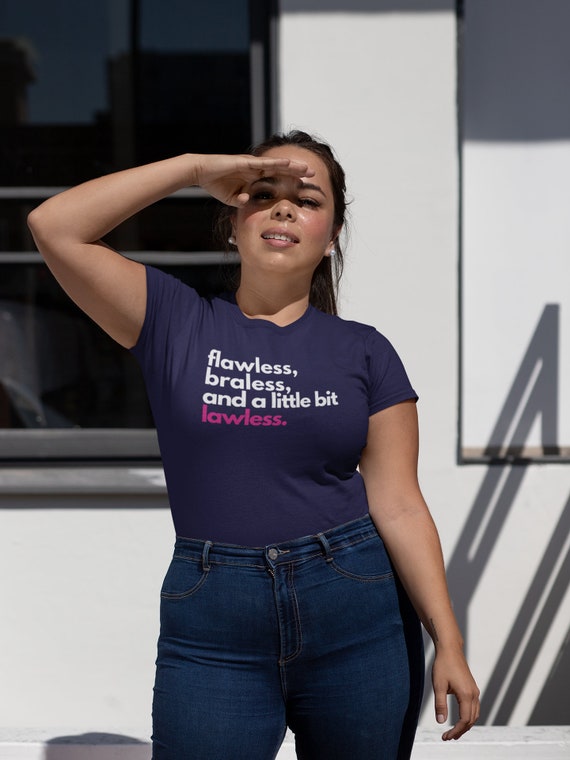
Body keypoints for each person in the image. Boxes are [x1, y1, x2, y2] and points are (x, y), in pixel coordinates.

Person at [28, 130, 480, 759]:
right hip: (214, 622)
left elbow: (400, 504)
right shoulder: (172, 321)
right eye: (263, 193)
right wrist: (192, 167)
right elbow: (54, 226)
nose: (285, 208)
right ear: (233, 224)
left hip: (356, 610)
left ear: (332, 238)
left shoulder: (366, 352)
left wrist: (449, 641)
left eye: (309, 200)